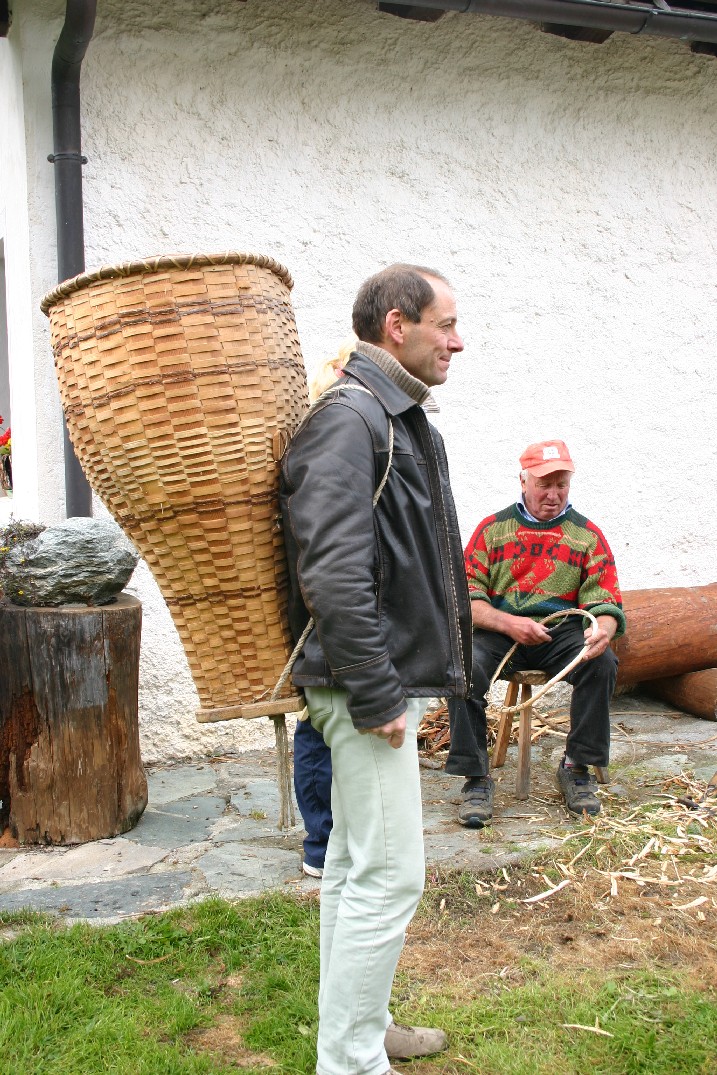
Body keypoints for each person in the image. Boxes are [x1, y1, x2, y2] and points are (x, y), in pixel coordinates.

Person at [280, 264, 472, 1075]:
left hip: (367, 680)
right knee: (389, 875)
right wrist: (376, 688)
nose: (457, 340)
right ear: (398, 324)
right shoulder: (350, 418)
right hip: (362, 686)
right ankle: (351, 1061)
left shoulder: (388, 414)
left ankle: (363, 1029)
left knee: (356, 866)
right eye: (444, 324)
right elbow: (330, 569)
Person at [446, 439, 625, 825]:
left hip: (559, 632)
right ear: (523, 481)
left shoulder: (586, 535)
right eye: (544, 484)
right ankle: (475, 778)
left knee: (601, 663)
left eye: (562, 484)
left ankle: (576, 766)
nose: (553, 494)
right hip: (499, 631)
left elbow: (605, 601)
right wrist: (509, 623)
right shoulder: (492, 530)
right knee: (462, 668)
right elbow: (466, 600)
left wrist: (604, 630)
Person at [293, 337, 357, 879]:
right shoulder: (321, 445)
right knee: (318, 729)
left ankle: (338, 840)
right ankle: (321, 842)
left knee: (340, 732)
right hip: (319, 613)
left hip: (348, 613)